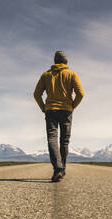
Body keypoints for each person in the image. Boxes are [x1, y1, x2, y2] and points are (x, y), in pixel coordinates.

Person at [34, 51, 84, 182]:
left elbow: (36, 94)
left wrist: (43, 108)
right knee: (64, 141)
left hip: (51, 110)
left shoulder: (46, 75)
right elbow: (81, 94)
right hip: (66, 110)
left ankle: (58, 168)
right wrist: (73, 106)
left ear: (55, 61)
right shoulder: (72, 74)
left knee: (52, 138)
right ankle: (62, 169)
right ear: (66, 62)